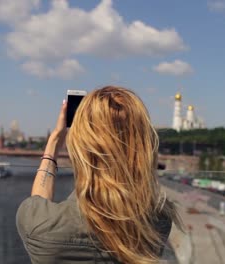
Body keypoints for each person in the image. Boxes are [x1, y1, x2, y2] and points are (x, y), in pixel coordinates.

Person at [16, 86, 182, 264]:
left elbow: (38, 201)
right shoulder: (159, 221)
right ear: (146, 146)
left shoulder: (41, 226)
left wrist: (55, 140)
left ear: (80, 147)